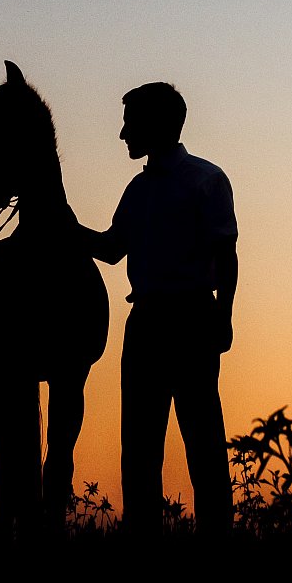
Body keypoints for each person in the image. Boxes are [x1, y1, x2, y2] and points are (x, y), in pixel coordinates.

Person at [80, 82, 237, 536]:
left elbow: (226, 253)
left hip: (189, 318)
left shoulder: (206, 180)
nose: (122, 133)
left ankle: (216, 536)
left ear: (157, 124)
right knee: (140, 445)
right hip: (147, 320)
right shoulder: (139, 188)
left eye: (130, 122)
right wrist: (67, 227)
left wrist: (223, 317)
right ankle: (144, 537)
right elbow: (112, 249)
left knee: (202, 438)